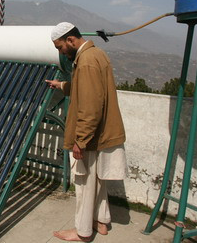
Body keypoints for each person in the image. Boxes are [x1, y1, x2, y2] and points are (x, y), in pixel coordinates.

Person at [45, 22, 127, 242]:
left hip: (90, 136)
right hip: (103, 133)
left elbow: (90, 106)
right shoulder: (96, 54)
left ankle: (82, 232)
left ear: (70, 40)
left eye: (60, 47)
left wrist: (80, 140)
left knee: (84, 184)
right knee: (98, 182)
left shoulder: (87, 62)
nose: (60, 52)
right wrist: (62, 85)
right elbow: (88, 87)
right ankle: (101, 221)